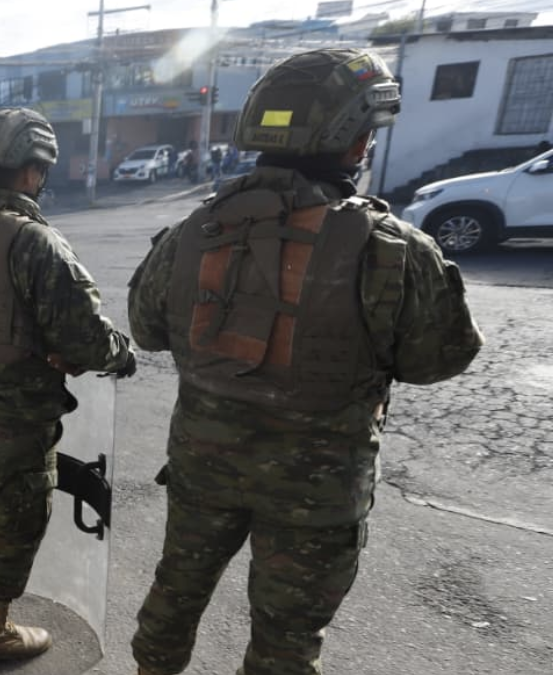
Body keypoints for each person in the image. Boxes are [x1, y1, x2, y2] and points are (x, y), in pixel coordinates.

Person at [126, 48, 484, 675]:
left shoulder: (191, 232)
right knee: (287, 639)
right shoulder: (392, 248)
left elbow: (147, 330)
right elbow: (436, 360)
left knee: (175, 593)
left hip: (204, 467)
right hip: (318, 490)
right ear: (355, 143)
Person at [0, 107, 136, 666]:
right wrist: (122, 354)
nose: (41, 180)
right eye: (40, 170)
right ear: (27, 171)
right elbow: (86, 338)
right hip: (14, 416)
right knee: (13, 518)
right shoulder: (34, 240)